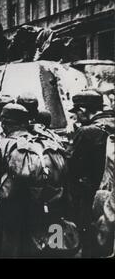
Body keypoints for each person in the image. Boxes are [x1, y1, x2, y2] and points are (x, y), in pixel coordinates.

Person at [0, 103, 70, 257]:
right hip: (50, 212)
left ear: (4, 124)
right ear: (26, 123)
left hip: (11, 217)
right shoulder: (49, 143)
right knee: (51, 252)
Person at [68, 90, 115, 257]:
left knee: (92, 243)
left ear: (83, 110)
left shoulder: (87, 132)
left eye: (77, 113)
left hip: (93, 199)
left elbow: (71, 167)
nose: (77, 117)